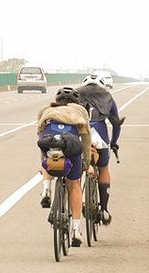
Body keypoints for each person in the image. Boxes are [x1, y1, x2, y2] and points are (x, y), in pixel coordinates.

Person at [36, 86, 93, 246]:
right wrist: (86, 163)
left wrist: (42, 166)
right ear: (76, 101)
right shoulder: (80, 110)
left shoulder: (46, 109)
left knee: (49, 156)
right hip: (71, 143)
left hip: (49, 141)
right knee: (74, 185)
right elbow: (86, 139)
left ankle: (46, 188)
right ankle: (76, 230)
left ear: (57, 100)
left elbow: (41, 139)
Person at [75, 74, 124, 225]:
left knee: (76, 170)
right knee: (103, 168)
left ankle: (77, 202)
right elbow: (116, 123)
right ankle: (104, 209)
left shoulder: (76, 95)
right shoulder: (107, 97)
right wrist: (114, 142)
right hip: (100, 138)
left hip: (80, 137)